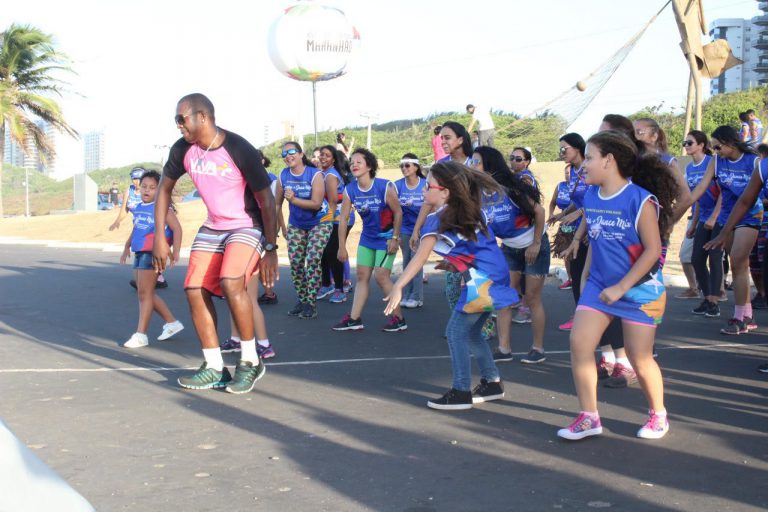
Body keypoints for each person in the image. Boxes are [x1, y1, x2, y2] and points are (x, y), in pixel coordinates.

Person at [153, 93, 278, 395]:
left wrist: (271, 249)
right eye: (176, 120)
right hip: (214, 226)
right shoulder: (183, 149)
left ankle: (250, 362)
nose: (178, 126)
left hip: (246, 224)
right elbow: (163, 190)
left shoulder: (238, 148)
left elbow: (267, 200)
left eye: (181, 119)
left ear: (203, 117)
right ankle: (213, 367)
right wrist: (159, 236)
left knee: (231, 281)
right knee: (194, 289)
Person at [557, 130, 674, 441]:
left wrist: (621, 288)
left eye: (591, 158)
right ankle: (589, 417)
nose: (585, 165)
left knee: (640, 357)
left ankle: (658, 415)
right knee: (579, 345)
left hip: (638, 291)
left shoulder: (640, 200)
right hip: (600, 286)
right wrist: (585, 278)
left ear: (608, 161)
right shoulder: (592, 196)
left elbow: (652, 252)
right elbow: (598, 235)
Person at [384, 161, 519, 409]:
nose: (424, 191)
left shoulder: (438, 219)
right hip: (494, 277)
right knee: (472, 333)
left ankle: (460, 391)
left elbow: (419, 257)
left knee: (456, 333)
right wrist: (454, 264)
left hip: (481, 283)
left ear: (445, 192)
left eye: (428, 186)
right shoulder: (466, 212)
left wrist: (398, 285)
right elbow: (475, 248)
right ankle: (492, 382)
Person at [472, 146, 547, 365]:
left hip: (534, 246)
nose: (472, 166)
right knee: (503, 296)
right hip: (509, 248)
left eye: (476, 161)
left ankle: (538, 348)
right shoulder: (478, 194)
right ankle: (504, 349)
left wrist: (536, 243)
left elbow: (539, 212)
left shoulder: (511, 189)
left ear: (489, 165)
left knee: (532, 298)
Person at [685, 125, 763, 335]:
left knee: (738, 259)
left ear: (730, 142)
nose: (715, 150)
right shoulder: (717, 161)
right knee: (738, 265)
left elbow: (758, 195)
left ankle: (740, 317)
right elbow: (700, 189)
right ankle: (746, 313)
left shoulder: (753, 161)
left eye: (717, 146)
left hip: (750, 215)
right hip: (726, 217)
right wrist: (679, 209)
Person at [333, 147, 406, 332]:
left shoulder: (384, 186)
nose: (354, 165)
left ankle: (398, 319)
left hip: (387, 238)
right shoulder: (350, 189)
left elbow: (398, 212)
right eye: (352, 162)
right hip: (367, 239)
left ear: (369, 166)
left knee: (381, 276)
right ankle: (354, 319)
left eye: (359, 161)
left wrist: (395, 238)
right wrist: (342, 246)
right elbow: (343, 219)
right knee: (362, 277)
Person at [410, 121, 474, 323]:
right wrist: (416, 230)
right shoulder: (440, 167)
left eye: (447, 137)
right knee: (452, 286)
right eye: (441, 138)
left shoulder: (476, 163)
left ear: (461, 139)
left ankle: (484, 327)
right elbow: (428, 201)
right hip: (450, 237)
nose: (443, 142)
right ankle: (459, 325)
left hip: (474, 236)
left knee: (476, 285)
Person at [119, 170, 184, 348]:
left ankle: (141, 334)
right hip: (140, 252)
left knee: (144, 294)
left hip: (153, 253)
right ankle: (172, 323)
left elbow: (177, 229)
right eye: (144, 187)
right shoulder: (139, 207)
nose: (147, 190)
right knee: (144, 292)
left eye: (152, 188)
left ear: (161, 190)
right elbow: (136, 229)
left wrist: (176, 251)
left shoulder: (161, 208)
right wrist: (126, 246)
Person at [275, 141, 330, 320]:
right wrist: (282, 228)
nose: (287, 156)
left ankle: (311, 303)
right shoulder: (283, 175)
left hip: (320, 222)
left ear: (300, 154)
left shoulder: (315, 175)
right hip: (296, 224)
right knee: (296, 263)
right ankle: (303, 299)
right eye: (284, 154)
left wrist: (294, 199)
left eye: (291, 152)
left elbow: (315, 204)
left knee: (313, 259)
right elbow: (276, 205)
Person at [548, 133, 587, 332]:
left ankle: (584, 318)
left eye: (565, 148)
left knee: (583, 276)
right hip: (577, 231)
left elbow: (597, 197)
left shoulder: (589, 169)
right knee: (577, 275)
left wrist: (579, 213)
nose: (562, 152)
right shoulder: (575, 172)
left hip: (590, 232)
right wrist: (562, 214)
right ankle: (580, 315)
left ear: (578, 148)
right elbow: (577, 200)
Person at [684, 130, 722, 318]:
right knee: (697, 259)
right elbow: (697, 198)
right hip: (703, 217)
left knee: (715, 258)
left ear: (701, 145)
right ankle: (707, 298)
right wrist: (694, 222)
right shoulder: (690, 169)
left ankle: (715, 302)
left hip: (720, 218)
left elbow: (723, 192)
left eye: (689, 143)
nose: (686, 146)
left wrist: (715, 216)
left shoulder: (712, 162)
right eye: (685, 143)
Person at [110, 167, 168, 290]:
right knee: (144, 292)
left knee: (144, 290)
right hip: (140, 226)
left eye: (138, 179)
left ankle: (156, 276)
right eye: (134, 179)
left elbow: (175, 227)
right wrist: (117, 221)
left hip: (152, 229)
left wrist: (172, 247)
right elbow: (124, 210)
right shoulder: (130, 192)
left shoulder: (156, 204)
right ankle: (152, 279)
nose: (136, 182)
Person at [317, 145, 353, 304]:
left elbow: (332, 202)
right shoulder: (323, 173)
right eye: (321, 155)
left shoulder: (330, 175)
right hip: (331, 217)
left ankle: (339, 289)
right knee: (324, 252)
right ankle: (326, 285)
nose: (322, 157)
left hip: (339, 218)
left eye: (326, 155)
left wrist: (327, 223)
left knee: (333, 252)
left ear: (333, 159)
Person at [394, 153, 427, 308]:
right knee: (407, 261)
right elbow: (394, 210)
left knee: (416, 261)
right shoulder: (397, 185)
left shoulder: (425, 184)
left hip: (422, 228)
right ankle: (407, 295)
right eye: (402, 165)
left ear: (416, 167)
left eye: (407, 165)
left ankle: (417, 297)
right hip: (405, 228)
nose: (404, 168)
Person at [549, 166, 574, 290]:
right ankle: (570, 279)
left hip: (579, 223)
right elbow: (553, 202)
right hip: (565, 225)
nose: (568, 174)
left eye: (570, 172)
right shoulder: (560, 186)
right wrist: (551, 214)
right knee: (565, 251)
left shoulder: (580, 186)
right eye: (566, 172)